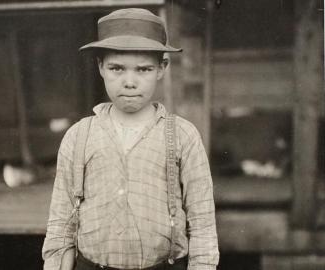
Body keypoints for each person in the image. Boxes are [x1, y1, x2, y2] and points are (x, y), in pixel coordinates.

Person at [42, 8, 219, 270]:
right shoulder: (79, 136)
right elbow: (61, 226)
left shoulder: (182, 136)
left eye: (144, 69)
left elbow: (202, 224)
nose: (130, 82)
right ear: (100, 66)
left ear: (162, 68)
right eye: (117, 68)